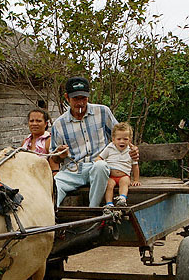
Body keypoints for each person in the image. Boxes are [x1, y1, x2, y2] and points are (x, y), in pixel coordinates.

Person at [49, 77, 139, 207]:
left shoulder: (102, 112)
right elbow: (54, 158)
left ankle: (93, 211)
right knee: (54, 185)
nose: (80, 103)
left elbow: (120, 135)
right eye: (75, 99)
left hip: (98, 168)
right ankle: (52, 220)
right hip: (72, 171)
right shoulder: (59, 124)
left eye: (83, 98)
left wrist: (132, 150)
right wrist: (60, 155)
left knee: (101, 166)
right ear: (67, 98)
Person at [96, 121, 140, 207]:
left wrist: (136, 180)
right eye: (119, 139)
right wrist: (98, 162)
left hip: (124, 175)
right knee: (108, 185)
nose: (122, 142)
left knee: (124, 183)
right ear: (113, 140)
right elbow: (100, 157)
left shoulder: (131, 151)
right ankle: (109, 203)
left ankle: (122, 199)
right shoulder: (110, 147)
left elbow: (135, 166)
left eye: (125, 139)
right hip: (111, 176)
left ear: (130, 140)